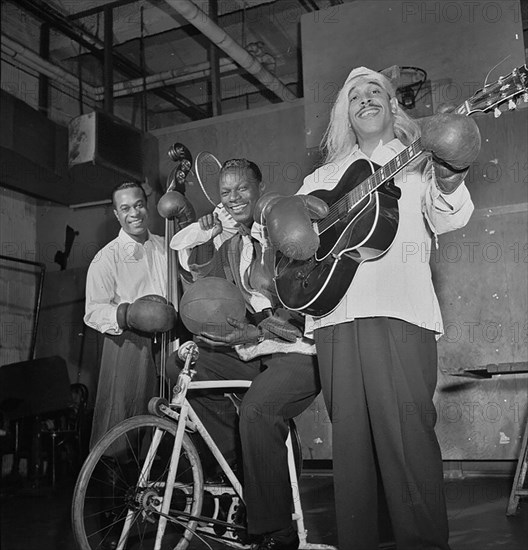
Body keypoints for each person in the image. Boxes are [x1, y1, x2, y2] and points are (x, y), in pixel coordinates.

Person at [263, 67, 481, 550]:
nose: (365, 98)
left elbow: (452, 216)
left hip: (399, 314)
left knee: (407, 444)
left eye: (375, 91)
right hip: (334, 321)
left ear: (392, 105)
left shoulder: (419, 158)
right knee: (353, 453)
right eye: (354, 95)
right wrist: (282, 217)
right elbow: (286, 246)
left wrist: (449, 174)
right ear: (344, 112)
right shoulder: (320, 177)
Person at [168, 159, 321, 550]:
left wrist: (255, 330)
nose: (233, 198)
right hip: (256, 351)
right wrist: (207, 234)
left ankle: (278, 532)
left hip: (302, 353)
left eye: (242, 189)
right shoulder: (234, 243)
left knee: (257, 411)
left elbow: (303, 310)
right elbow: (199, 281)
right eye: (225, 192)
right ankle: (243, 464)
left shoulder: (285, 227)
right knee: (190, 370)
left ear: (260, 187)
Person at [84, 181, 181, 449]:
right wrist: (127, 314)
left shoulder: (166, 247)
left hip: (169, 342)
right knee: (123, 427)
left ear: (146, 206)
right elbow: (92, 311)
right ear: (116, 214)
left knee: (169, 418)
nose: (134, 213)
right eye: (125, 208)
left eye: (138, 205)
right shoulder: (106, 258)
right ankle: (120, 485)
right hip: (129, 343)